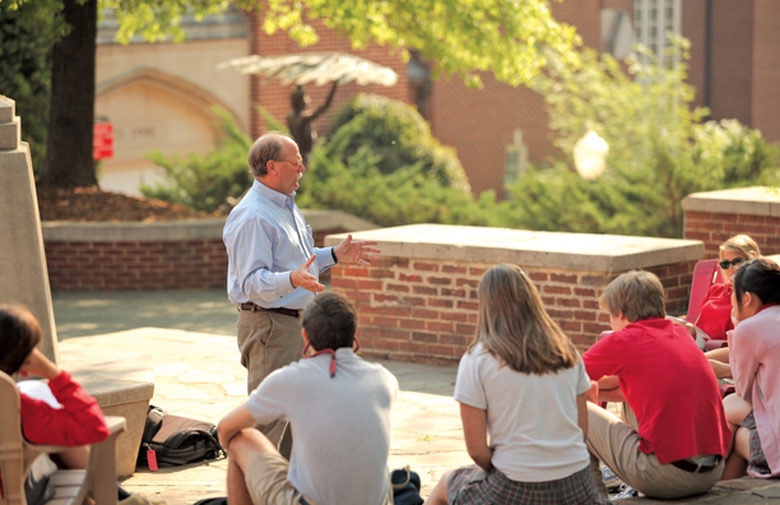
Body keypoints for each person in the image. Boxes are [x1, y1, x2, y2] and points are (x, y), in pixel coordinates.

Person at [222, 132, 380, 455]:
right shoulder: (253, 215)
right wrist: (292, 280)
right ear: (272, 167)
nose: (302, 169)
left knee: (298, 424)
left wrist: (334, 255)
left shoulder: (286, 206)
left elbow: (301, 264)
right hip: (271, 327)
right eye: (296, 164)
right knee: (266, 427)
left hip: (297, 326)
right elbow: (252, 283)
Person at [426, 264, 606, 505]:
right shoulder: (567, 352)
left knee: (445, 485)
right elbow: (581, 430)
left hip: (515, 485)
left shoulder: (477, 359)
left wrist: (505, 467)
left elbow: (477, 450)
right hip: (577, 484)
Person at [216, 292, 398, 505]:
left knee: (242, 438)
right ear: (354, 334)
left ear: (304, 336)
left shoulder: (291, 379)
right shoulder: (384, 379)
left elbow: (224, 429)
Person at [583, 271, 731, 500]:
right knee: (627, 396)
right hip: (711, 472)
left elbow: (563, 379)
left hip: (665, 476)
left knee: (577, 409)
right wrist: (597, 386)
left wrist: (587, 387)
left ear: (620, 314)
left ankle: (591, 499)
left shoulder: (624, 339)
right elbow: (640, 388)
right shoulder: (680, 334)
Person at [0, 304, 149, 505]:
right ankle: (119, 499)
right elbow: (95, 428)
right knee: (55, 443)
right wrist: (54, 373)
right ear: (25, 359)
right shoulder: (21, 408)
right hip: (14, 496)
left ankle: (120, 499)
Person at [721, 258, 780, 479]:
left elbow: (743, 390)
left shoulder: (750, 328)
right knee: (731, 415)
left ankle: (700, 478)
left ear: (746, 298)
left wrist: (737, 326)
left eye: (732, 295)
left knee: (728, 410)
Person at [693, 234, 760, 343]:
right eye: (725, 264)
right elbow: (697, 324)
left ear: (752, 260)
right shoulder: (716, 290)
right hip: (699, 343)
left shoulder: (753, 296)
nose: (730, 268)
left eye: (737, 262)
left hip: (723, 349)